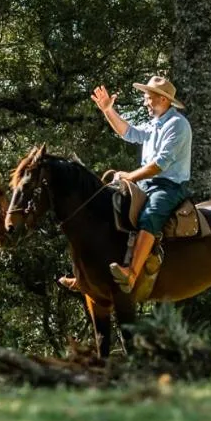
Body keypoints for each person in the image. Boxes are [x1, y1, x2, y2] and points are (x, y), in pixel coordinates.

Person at [72, 75, 192, 296]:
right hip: (147, 183)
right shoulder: (156, 123)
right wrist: (108, 110)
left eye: (148, 98)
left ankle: (132, 273)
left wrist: (129, 177)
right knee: (108, 205)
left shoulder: (178, 125)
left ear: (163, 100)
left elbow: (159, 166)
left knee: (151, 215)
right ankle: (89, 274)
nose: (145, 102)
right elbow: (129, 133)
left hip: (169, 186)